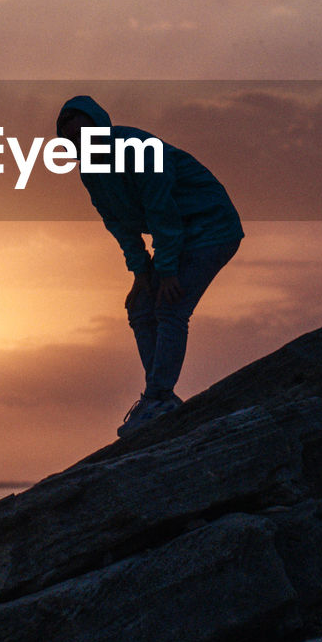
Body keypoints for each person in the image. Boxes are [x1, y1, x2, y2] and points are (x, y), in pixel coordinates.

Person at [56, 95, 243, 436]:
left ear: (100, 125)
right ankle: (159, 397)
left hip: (212, 226)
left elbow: (162, 212)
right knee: (142, 305)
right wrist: (141, 272)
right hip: (180, 234)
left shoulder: (138, 150)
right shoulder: (92, 172)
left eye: (85, 132)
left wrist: (167, 272)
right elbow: (117, 222)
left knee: (170, 306)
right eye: (72, 140)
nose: (81, 143)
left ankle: (159, 398)